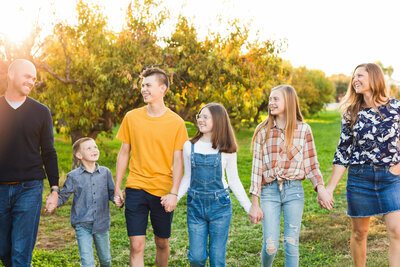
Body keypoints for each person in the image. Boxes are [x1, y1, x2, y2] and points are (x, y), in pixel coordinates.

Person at [323, 63, 400, 267]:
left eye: (360, 76)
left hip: (390, 178)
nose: (355, 80)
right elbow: (343, 152)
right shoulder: (351, 112)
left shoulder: (396, 108)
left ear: (374, 78)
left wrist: (397, 167)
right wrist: (329, 188)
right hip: (360, 178)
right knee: (359, 233)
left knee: (397, 231)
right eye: (354, 76)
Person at [248, 85, 332, 267]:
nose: (271, 103)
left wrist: (321, 189)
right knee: (270, 246)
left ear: (290, 101)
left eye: (275, 99)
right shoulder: (263, 131)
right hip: (269, 192)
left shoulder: (304, 130)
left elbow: (311, 165)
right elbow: (256, 170)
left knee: (291, 243)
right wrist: (255, 204)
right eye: (270, 99)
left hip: (294, 191)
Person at [114, 68, 188, 267]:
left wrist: (174, 192)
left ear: (162, 88)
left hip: (163, 191)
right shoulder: (131, 117)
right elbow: (123, 153)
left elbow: (179, 161)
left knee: (162, 242)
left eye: (148, 85)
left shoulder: (176, 123)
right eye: (142, 86)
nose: (143, 89)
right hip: (136, 186)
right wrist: (117, 187)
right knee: (136, 246)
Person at [175, 103, 252, 267]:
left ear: (218, 121)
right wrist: (174, 197)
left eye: (205, 117)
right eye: (199, 116)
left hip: (220, 207)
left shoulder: (227, 149)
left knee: (217, 259)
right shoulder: (189, 146)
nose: (200, 120)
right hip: (195, 206)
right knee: (196, 258)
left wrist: (249, 207)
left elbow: (234, 180)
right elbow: (187, 177)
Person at [0, 59, 59, 266]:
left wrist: (54, 189)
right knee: (4, 249)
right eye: (27, 76)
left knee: (20, 252)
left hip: (30, 188)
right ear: (11, 74)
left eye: (34, 78)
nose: (32, 81)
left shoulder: (41, 112)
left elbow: (49, 152)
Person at [57, 137, 114, 267]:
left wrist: (118, 199)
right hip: (82, 224)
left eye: (95, 147)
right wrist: (53, 201)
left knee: (106, 260)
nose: (94, 150)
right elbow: (63, 197)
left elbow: (112, 193)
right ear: (79, 155)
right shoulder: (73, 176)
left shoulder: (106, 173)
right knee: (87, 263)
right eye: (89, 148)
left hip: (101, 223)